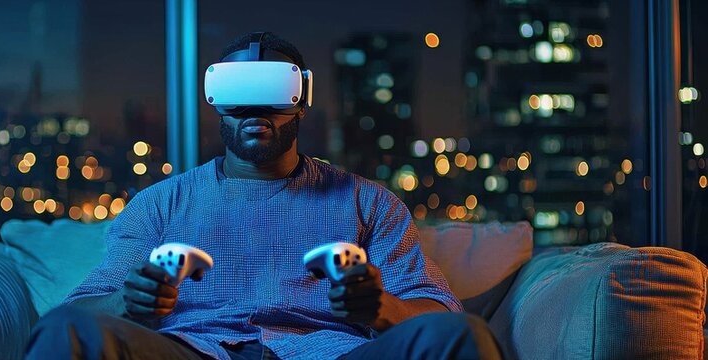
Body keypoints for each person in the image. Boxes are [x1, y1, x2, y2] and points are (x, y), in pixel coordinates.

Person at [25, 32, 502, 360]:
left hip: (334, 353)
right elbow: (78, 311)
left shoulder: (368, 202)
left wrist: (384, 310)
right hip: (193, 351)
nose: (255, 109)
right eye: (238, 92)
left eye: (273, 91)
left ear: (301, 98)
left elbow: (439, 310)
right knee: (66, 332)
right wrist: (127, 303)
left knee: (459, 336)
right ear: (216, 103)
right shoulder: (161, 204)